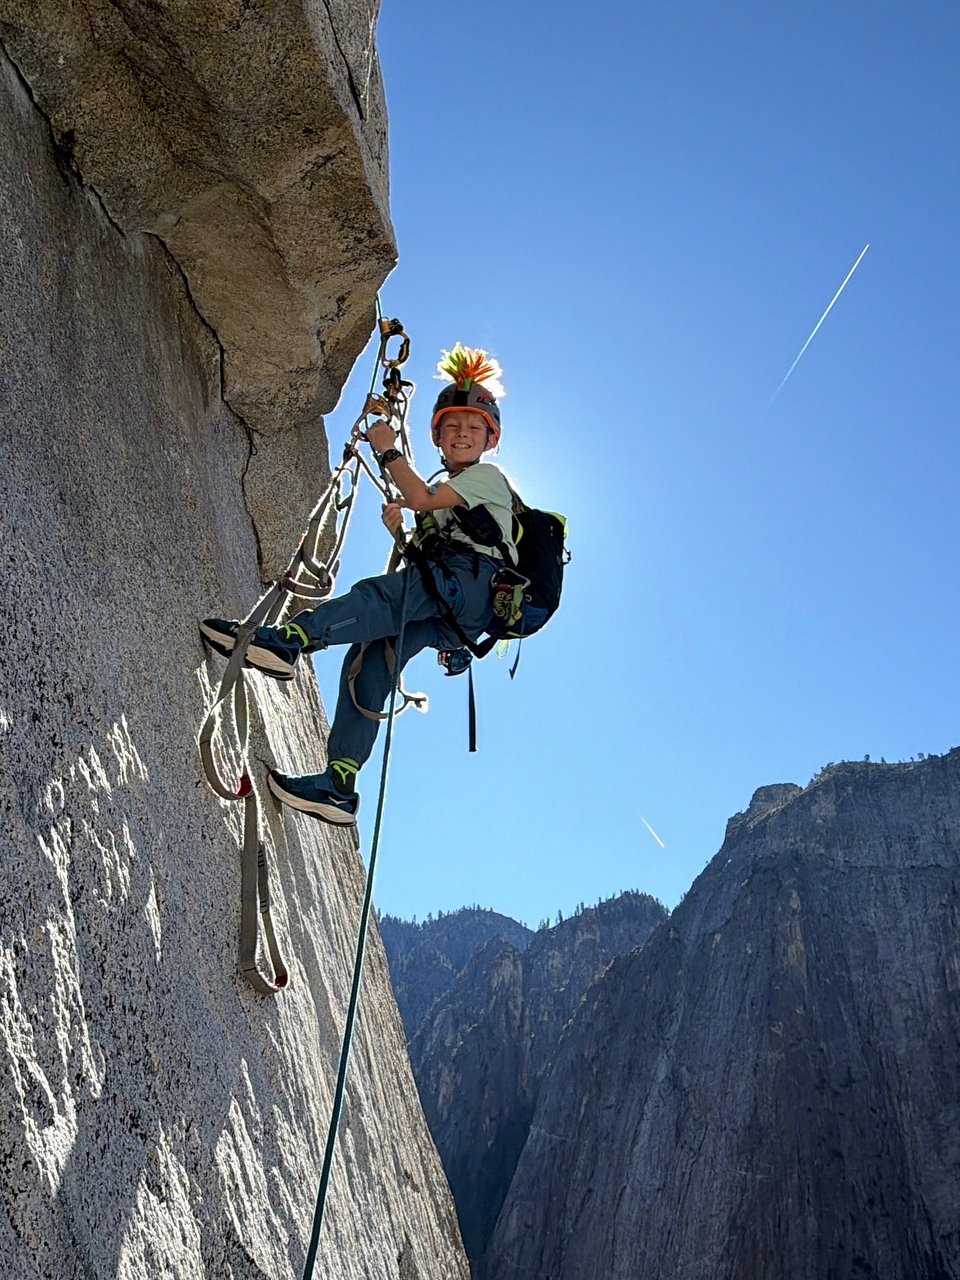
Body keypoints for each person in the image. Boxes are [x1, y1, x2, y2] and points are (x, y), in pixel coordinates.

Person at [200, 345, 515, 826]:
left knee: (381, 597)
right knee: (369, 659)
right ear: (439, 435)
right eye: (452, 426)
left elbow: (420, 497)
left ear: (489, 439)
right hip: (461, 612)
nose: (461, 435)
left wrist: (386, 446)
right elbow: (431, 534)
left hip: (470, 587)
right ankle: (339, 784)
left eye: (473, 427)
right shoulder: (457, 494)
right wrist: (401, 534)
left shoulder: (489, 478)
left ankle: (290, 640)